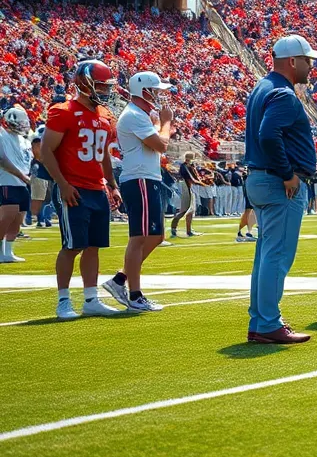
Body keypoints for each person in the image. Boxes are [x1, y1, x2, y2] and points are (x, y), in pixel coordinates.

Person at [243, 34, 317, 344]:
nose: (311, 66)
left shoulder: (262, 88)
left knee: (266, 254)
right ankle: (267, 323)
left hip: (262, 178)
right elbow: (268, 135)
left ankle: (260, 320)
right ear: (292, 61)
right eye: (307, 60)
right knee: (276, 255)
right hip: (279, 183)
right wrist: (287, 174)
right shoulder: (283, 93)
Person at [40, 60, 124, 320]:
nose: (105, 90)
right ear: (85, 84)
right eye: (101, 85)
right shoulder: (63, 111)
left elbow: (104, 155)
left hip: (96, 187)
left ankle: (91, 299)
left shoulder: (105, 115)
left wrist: (112, 185)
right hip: (73, 187)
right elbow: (45, 150)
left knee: (93, 246)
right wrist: (62, 184)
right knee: (72, 246)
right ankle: (63, 300)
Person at [102, 71, 174, 313]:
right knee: (139, 237)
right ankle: (135, 294)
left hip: (147, 177)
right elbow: (161, 144)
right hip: (139, 178)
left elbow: (155, 142)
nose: (158, 95)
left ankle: (121, 279)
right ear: (143, 91)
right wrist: (166, 122)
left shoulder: (140, 114)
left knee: (156, 236)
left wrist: (158, 123)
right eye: (155, 90)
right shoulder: (133, 114)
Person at [0, 106, 33, 263]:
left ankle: (8, 251)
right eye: (19, 122)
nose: (22, 125)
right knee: (7, 216)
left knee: (18, 219)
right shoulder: (2, 136)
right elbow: (3, 160)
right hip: (7, 181)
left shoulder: (24, 141)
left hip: (22, 183)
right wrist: (22, 176)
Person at [170, 152, 204, 238]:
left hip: (189, 188)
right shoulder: (184, 166)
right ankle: (173, 228)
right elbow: (191, 179)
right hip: (185, 188)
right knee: (184, 210)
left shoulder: (190, 166)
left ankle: (189, 231)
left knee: (191, 211)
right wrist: (203, 183)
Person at [28, 127, 53, 229]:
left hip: (46, 178)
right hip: (39, 178)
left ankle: (44, 219)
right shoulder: (37, 152)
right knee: (40, 200)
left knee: (46, 200)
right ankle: (41, 219)